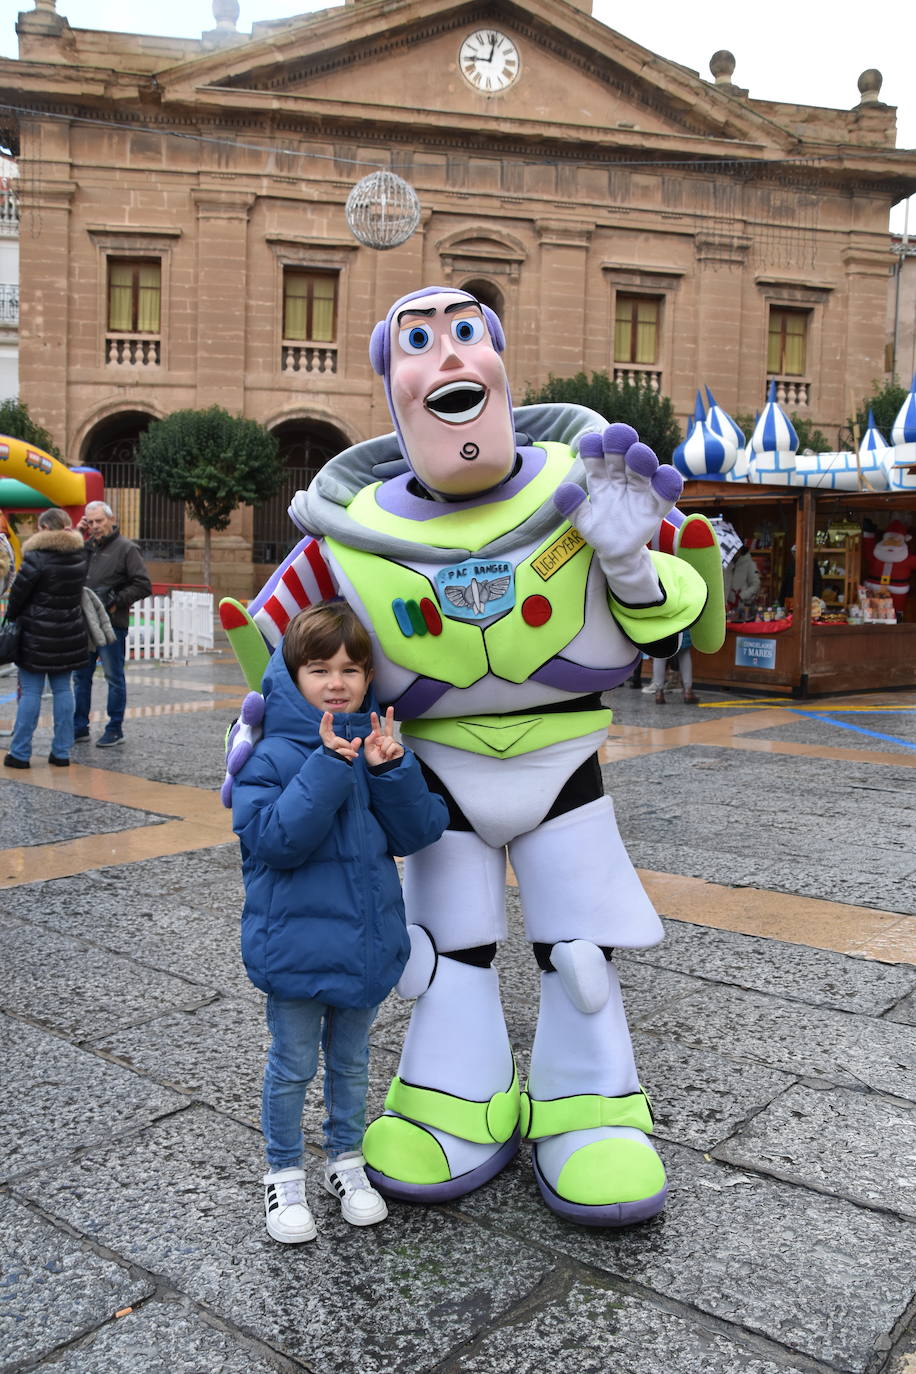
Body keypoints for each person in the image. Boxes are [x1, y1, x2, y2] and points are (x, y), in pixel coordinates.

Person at [220, 285, 725, 1229]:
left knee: (581, 949)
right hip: (427, 767)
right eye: (419, 342)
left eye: (466, 335)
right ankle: (456, 1101)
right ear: (392, 385)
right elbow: (281, 651)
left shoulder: (585, 489)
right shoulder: (348, 532)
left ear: (498, 361)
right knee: (444, 950)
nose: (448, 357)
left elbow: (678, 618)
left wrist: (626, 560)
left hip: (564, 758)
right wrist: (260, 738)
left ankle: (592, 1109)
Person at [231, 602, 448, 1244]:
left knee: (352, 1063)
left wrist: (389, 769)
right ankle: (284, 1173)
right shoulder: (269, 754)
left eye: (351, 669)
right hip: (296, 948)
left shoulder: (376, 742)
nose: (336, 682)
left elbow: (419, 832)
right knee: (293, 1064)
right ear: (292, 672)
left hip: (363, 944)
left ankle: (346, 1161)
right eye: (319, 667)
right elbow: (273, 840)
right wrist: (328, 766)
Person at [4, 507, 88, 769]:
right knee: (64, 690)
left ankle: (20, 753)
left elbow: (17, 596)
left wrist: (12, 615)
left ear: (43, 529)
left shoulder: (36, 558)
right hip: (69, 632)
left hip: (36, 634)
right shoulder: (80, 555)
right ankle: (61, 752)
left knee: (31, 692)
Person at [72, 501, 151, 747]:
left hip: (111, 624)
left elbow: (143, 584)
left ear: (111, 519)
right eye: (91, 522)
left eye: (99, 521)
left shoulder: (127, 549)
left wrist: (117, 601)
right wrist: (76, 533)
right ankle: (79, 727)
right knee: (80, 677)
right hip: (84, 625)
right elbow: (64, 564)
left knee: (113, 677)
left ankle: (114, 727)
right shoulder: (84, 548)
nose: (95, 526)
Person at [651, 628, 698, 705]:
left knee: (659, 653)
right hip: (679, 622)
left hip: (660, 622)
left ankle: (659, 693)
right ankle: (688, 692)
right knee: (684, 652)